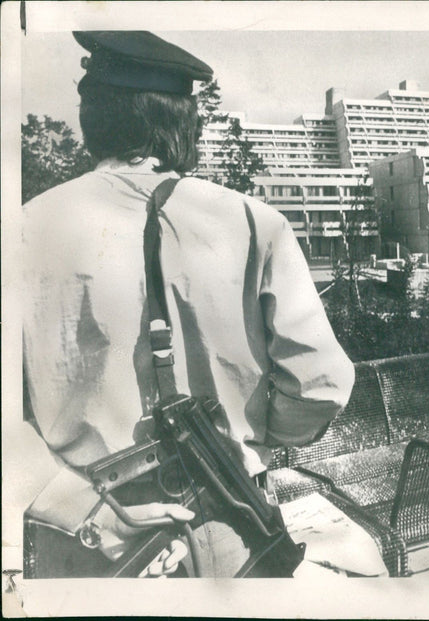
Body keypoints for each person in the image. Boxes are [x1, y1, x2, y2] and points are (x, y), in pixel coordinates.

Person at [21, 31, 355, 577]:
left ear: (92, 119)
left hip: (88, 539)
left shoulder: (23, 229)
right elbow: (320, 386)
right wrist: (250, 445)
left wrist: (84, 511)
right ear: (182, 123)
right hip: (231, 519)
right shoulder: (255, 222)